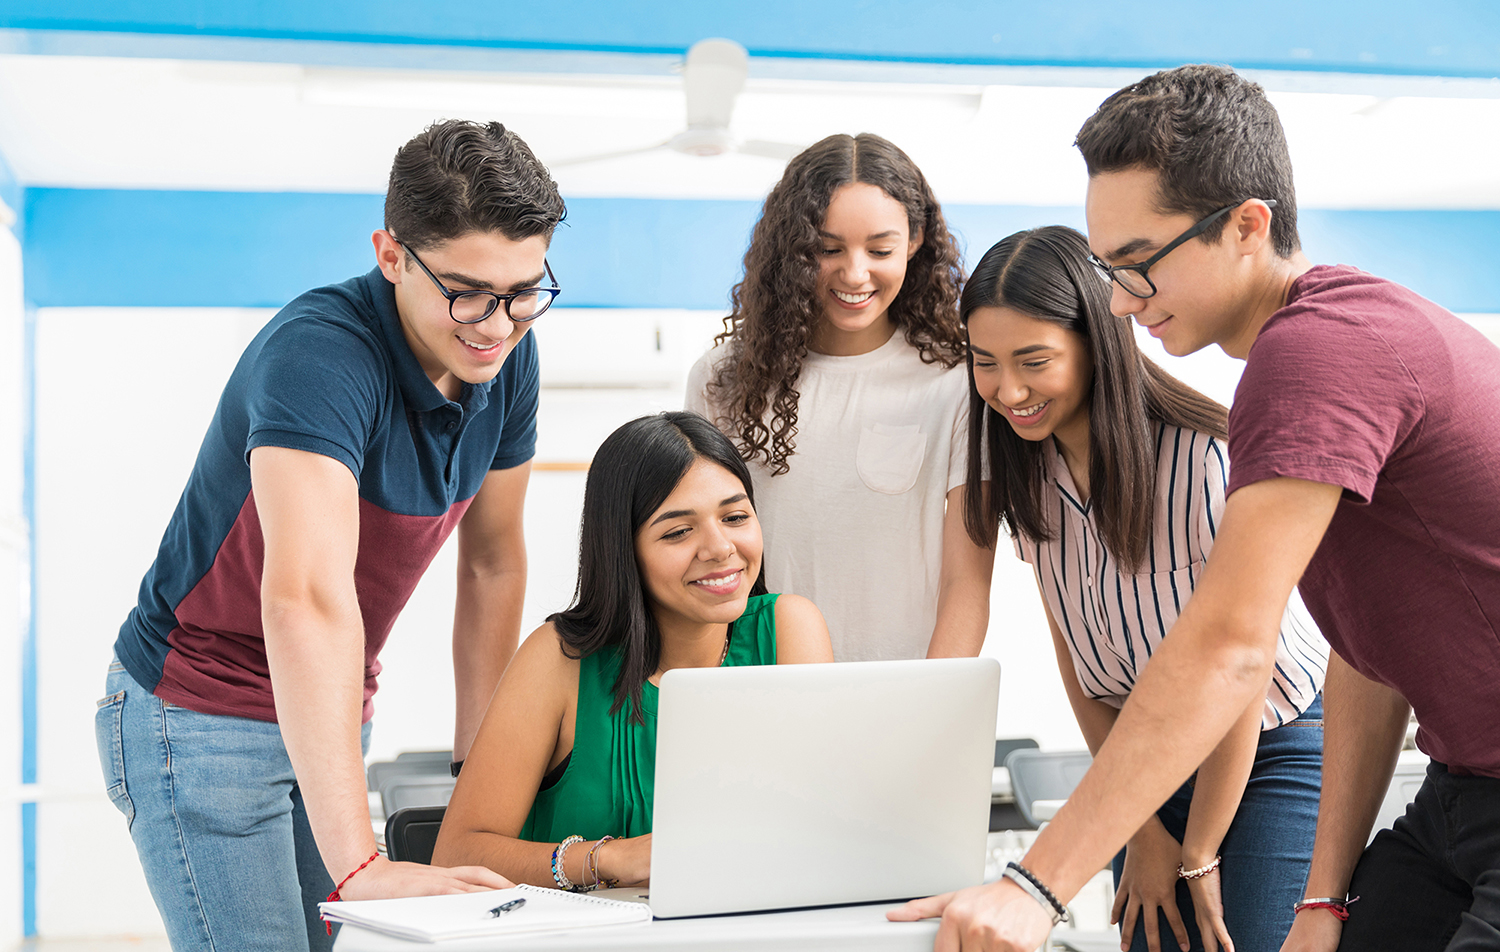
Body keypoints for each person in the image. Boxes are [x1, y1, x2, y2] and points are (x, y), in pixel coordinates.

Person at [891, 64, 1500, 952]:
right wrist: (1323, 903)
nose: (1120, 300)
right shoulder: (1319, 358)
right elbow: (1368, 657)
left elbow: (1227, 649)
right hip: (1460, 787)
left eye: (1139, 265)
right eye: (1110, 268)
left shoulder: (1316, 354)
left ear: (1247, 226)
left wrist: (1035, 885)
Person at [95, 119, 565, 950]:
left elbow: (492, 565)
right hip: (201, 708)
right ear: (391, 255)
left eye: (525, 290)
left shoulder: (508, 358)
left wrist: (477, 779)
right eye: (467, 291)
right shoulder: (320, 356)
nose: (497, 324)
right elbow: (308, 595)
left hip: (332, 705)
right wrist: (357, 863)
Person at [959, 225, 1327, 952]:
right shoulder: (1030, 477)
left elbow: (1239, 677)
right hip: (1146, 754)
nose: (1009, 390)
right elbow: (1078, 654)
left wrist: (1198, 851)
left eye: (1034, 361)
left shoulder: (1203, 464)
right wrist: (1145, 830)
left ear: (1098, 345)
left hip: (1267, 746)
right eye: (985, 363)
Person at [431, 411, 833, 886]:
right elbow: (456, 855)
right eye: (678, 531)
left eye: (735, 517)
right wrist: (609, 860)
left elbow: (823, 827)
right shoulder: (558, 659)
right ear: (623, 549)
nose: (721, 547)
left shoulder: (790, 629)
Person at [685, 132, 994, 662]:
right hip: (757, 682)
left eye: (880, 249)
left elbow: (967, 583)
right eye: (828, 249)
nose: (855, 273)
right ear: (795, 249)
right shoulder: (723, 378)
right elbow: (702, 558)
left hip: (901, 692)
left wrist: (932, 704)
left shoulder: (956, 382)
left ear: (916, 239)